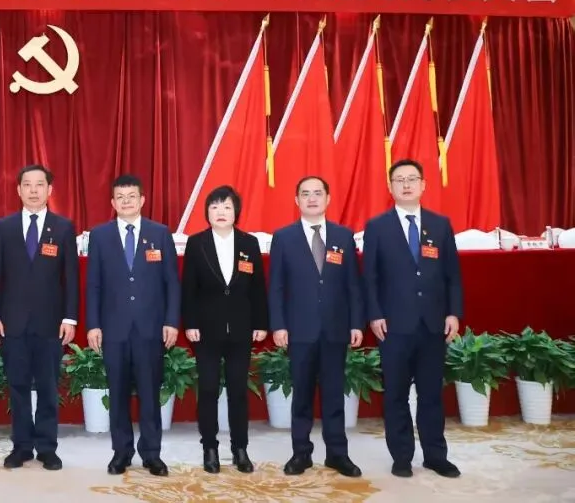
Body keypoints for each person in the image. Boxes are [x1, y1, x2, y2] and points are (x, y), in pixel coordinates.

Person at [365, 159, 463, 479]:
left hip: (433, 325)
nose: (406, 185)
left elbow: (452, 275)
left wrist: (453, 312)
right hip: (393, 326)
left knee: (431, 394)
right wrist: (374, 314)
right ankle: (402, 456)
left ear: (423, 185)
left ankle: (435, 455)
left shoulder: (440, 224)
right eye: (399, 180)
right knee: (395, 395)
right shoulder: (377, 227)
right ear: (390, 186)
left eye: (412, 179)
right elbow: (370, 277)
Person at [0, 164, 79, 471]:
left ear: (50, 190)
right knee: (18, 387)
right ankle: (22, 446)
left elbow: (71, 278)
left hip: (50, 323)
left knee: (49, 388)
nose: (34, 190)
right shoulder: (4, 227)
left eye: (40, 185)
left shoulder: (63, 227)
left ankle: (47, 447)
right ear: (18, 190)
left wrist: (70, 318)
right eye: (28, 184)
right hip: (12, 322)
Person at [268, 176, 363, 478]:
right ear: (296, 200)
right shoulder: (283, 237)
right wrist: (278, 325)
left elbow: (353, 285)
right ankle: (301, 454)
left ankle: (337, 454)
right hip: (300, 330)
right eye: (305, 194)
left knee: (334, 395)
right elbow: (276, 287)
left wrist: (356, 323)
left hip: (336, 328)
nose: (312, 199)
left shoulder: (343, 236)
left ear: (328, 198)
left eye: (317, 193)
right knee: (302, 396)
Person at [86, 174, 179, 477]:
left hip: (151, 328)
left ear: (142, 200)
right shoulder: (100, 236)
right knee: (118, 394)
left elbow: (171, 282)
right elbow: (94, 284)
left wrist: (171, 321)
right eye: (120, 197)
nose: (126, 202)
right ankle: (121, 452)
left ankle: (152, 454)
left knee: (150, 394)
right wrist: (93, 325)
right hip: (113, 329)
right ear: (113, 203)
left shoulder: (160, 233)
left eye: (132, 196)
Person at [181, 185, 267, 474]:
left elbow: (258, 288)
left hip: (241, 329)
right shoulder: (197, 243)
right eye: (215, 207)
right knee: (207, 390)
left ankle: (240, 449)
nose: (221, 212)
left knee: (238, 391)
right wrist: (190, 323)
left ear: (236, 212)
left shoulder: (249, 243)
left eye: (227, 207)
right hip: (206, 330)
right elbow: (189, 288)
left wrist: (261, 323)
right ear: (207, 212)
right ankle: (210, 448)